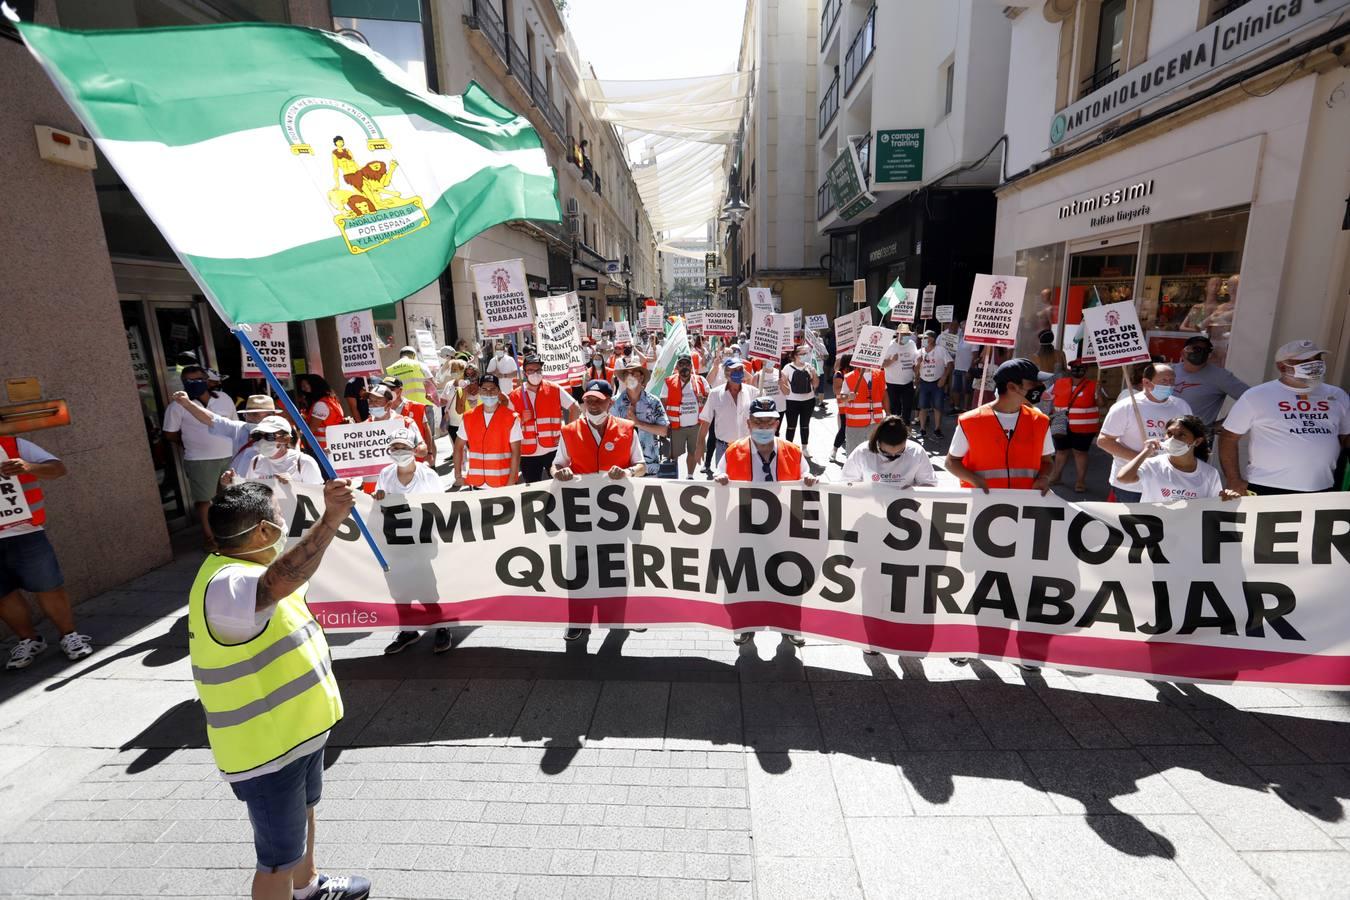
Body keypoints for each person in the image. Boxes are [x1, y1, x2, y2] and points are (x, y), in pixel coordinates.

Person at [192, 478, 370, 900]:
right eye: (277, 517)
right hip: (266, 751)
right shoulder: (227, 584)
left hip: (296, 735)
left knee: (305, 814)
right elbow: (278, 581)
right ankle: (291, 885)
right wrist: (330, 521)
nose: (283, 524)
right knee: (276, 858)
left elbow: (288, 576)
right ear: (262, 532)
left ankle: (308, 887)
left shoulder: (247, 567)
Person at [713, 397, 817, 647]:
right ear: (748, 424)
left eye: (768, 421)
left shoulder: (792, 451)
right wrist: (721, 477)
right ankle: (744, 625)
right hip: (745, 527)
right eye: (758, 421)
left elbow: (805, 474)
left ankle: (791, 627)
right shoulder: (733, 450)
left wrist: (810, 478)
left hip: (783, 528)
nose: (763, 426)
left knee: (789, 579)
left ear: (777, 423)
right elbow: (718, 473)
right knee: (745, 579)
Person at [552, 379, 645, 642]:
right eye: (588, 400)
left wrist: (627, 471)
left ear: (610, 402)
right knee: (579, 566)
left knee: (615, 565)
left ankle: (619, 616)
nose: (592, 405)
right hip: (580, 511)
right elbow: (555, 466)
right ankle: (577, 621)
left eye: (598, 400)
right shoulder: (569, 431)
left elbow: (641, 466)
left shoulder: (627, 429)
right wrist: (562, 473)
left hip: (615, 512)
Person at [1, 435, 93, 670]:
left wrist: (27, 467)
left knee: (48, 586)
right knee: (3, 595)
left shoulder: (14, 444)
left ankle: (69, 636)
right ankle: (29, 640)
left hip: (26, 531)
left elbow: (58, 468)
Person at [1219, 339, 1350, 495]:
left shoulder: (1337, 395)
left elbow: (1346, 437)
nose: (1314, 364)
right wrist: (1234, 480)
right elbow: (1228, 438)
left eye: (1317, 359)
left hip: (1322, 487)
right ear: (1282, 366)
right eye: (1305, 361)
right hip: (1267, 487)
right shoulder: (1257, 396)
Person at [945, 358, 1055, 495]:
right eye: (1034, 383)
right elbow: (951, 462)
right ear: (1012, 387)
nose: (1040, 386)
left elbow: (1047, 462)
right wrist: (975, 481)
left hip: (1026, 506)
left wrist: (1043, 477)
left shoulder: (1040, 421)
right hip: (984, 505)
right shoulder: (970, 421)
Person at [163, 365, 240, 550]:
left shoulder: (224, 398)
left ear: (207, 380)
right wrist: (187, 443)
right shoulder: (177, 406)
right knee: (205, 500)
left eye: (197, 379)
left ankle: (232, 534)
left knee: (232, 497)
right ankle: (209, 538)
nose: (193, 384)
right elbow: (169, 434)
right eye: (188, 381)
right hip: (199, 459)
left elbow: (235, 425)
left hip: (229, 456)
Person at [1097, 362, 1192, 503]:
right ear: (1146, 382)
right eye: (1163, 381)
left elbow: (1188, 439)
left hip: (1168, 483)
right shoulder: (1126, 406)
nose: (1169, 385)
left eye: (1172, 380)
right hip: (1132, 485)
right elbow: (1104, 441)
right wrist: (1141, 458)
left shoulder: (1181, 406)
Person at [1118, 415, 1241, 503]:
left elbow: (1213, 504)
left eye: (1181, 435)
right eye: (1170, 434)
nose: (1173, 439)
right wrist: (1145, 452)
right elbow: (1123, 478)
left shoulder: (1209, 473)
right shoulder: (1153, 465)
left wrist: (1227, 498)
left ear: (1197, 441)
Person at [509, 354, 578, 484]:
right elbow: (506, 424)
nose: (535, 373)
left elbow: (575, 407)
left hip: (553, 449)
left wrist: (569, 432)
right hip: (528, 453)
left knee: (560, 484)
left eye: (538, 370)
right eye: (531, 370)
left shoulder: (554, 388)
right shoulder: (515, 395)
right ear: (524, 373)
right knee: (533, 488)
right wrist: (520, 419)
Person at [452, 374, 521, 490]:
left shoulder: (511, 417)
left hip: (503, 483)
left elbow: (516, 452)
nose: (488, 393)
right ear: (479, 390)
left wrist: (511, 481)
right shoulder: (469, 417)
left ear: (499, 391)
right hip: (476, 483)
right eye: (484, 389)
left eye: (492, 389)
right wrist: (457, 475)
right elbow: (458, 447)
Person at [1047, 362, 1102, 493]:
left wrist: (1098, 392)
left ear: (1086, 370)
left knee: (1080, 453)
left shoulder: (1094, 385)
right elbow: (1048, 398)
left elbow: (1101, 403)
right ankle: (1056, 477)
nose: (1078, 371)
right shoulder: (1059, 383)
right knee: (1061, 451)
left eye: (1081, 368)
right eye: (1075, 368)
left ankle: (1080, 481)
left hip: (1084, 426)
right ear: (1071, 369)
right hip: (1061, 423)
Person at [839, 415, 937, 488]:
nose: (893, 456)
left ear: (906, 441)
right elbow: (847, 483)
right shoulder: (862, 452)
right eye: (886, 453)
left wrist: (915, 490)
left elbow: (930, 484)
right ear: (878, 442)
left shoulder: (916, 451)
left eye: (899, 452)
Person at [1171, 335, 1249, 428]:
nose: (1200, 352)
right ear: (1183, 352)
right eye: (1195, 348)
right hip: (1164, 430)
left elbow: (1250, 397)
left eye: (1205, 350)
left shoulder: (1220, 376)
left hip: (1198, 435)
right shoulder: (1170, 370)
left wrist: (1225, 422)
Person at [697, 358, 761, 467]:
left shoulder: (753, 392)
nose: (738, 372)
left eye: (740, 369)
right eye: (734, 369)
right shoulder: (715, 394)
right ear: (726, 373)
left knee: (745, 483)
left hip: (746, 447)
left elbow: (760, 420)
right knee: (722, 482)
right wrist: (700, 446)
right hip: (723, 449)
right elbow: (706, 421)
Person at [611, 355, 669, 473]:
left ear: (642, 378)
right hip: (622, 467)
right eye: (627, 374)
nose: (630, 377)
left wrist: (638, 423)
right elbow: (609, 433)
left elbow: (663, 431)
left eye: (634, 374)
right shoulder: (615, 403)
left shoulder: (653, 402)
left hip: (649, 466)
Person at [229, 416, 323, 486]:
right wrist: (232, 482)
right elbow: (251, 493)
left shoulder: (304, 462)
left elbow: (318, 496)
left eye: (269, 436)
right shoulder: (255, 461)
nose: (262, 441)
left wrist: (293, 485)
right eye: (258, 436)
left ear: (286, 439)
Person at [664, 353, 710, 479]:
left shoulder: (700, 380)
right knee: (674, 454)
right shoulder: (669, 381)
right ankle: (674, 477)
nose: (684, 366)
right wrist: (666, 421)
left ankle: (689, 476)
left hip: (696, 426)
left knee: (693, 452)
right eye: (681, 364)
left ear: (691, 366)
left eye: (687, 364)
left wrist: (704, 399)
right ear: (677, 367)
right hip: (676, 426)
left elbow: (710, 401)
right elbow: (663, 401)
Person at [833, 355, 889, 458]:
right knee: (854, 455)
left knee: (875, 455)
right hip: (855, 424)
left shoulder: (880, 374)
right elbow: (842, 396)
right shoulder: (849, 377)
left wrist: (889, 414)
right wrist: (849, 396)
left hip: (876, 422)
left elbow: (885, 395)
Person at [373, 429, 442, 500]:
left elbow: (443, 502)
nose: (399, 452)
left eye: (405, 448)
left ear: (415, 450)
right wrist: (377, 495)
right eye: (395, 448)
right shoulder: (385, 474)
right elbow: (378, 502)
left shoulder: (429, 475)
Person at [381, 376, 435, 463]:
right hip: (392, 458)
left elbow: (426, 430)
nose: (387, 391)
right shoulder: (380, 409)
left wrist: (429, 452)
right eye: (385, 388)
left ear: (400, 390)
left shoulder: (416, 406)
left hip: (415, 457)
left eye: (391, 388)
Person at [914, 331, 952, 439]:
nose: (923, 340)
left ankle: (937, 429)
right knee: (923, 407)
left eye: (926, 337)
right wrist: (918, 363)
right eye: (922, 338)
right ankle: (922, 429)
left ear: (932, 338)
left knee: (938, 407)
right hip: (924, 382)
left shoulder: (941, 350)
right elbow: (915, 370)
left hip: (937, 383)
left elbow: (950, 364)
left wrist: (944, 377)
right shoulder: (919, 352)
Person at [296, 375, 345, 452]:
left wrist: (298, 437)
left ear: (315, 385)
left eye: (305, 386)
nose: (303, 389)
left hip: (321, 448)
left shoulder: (321, 405)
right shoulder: (332, 400)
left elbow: (312, 428)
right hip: (332, 444)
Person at [880, 325, 918, 426]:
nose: (906, 336)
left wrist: (918, 364)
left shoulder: (911, 344)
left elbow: (915, 361)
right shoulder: (889, 345)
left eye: (907, 334)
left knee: (907, 408)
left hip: (908, 382)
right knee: (894, 409)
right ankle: (894, 428)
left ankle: (905, 428)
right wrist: (891, 360)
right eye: (904, 334)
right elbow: (881, 364)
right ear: (897, 334)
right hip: (892, 383)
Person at [384, 345, 436, 410]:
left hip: (401, 407)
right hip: (423, 405)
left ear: (400, 356)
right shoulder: (419, 364)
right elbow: (433, 385)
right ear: (413, 355)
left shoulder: (390, 369)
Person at [950, 321, 975, 413]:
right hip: (957, 367)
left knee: (967, 390)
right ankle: (957, 408)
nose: (963, 329)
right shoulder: (960, 338)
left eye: (964, 327)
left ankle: (965, 409)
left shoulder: (973, 339)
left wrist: (970, 369)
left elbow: (975, 355)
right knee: (956, 389)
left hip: (966, 368)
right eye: (962, 327)